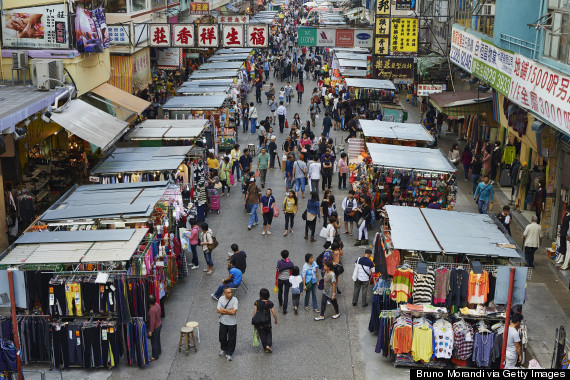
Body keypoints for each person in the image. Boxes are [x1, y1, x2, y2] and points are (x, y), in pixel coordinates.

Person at [253, 288, 278, 353]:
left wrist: (254, 319)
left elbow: (255, 312)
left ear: (260, 295)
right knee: (269, 333)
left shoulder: (257, 302)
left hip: (259, 321)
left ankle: (266, 346)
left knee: (262, 334)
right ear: (268, 295)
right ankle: (268, 345)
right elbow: (273, 312)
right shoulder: (269, 303)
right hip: (267, 321)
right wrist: (276, 319)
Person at [217, 287, 238, 361]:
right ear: (224, 293)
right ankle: (223, 348)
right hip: (223, 321)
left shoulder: (235, 300)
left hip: (232, 323)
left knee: (232, 339)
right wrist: (229, 311)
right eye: (228, 292)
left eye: (231, 292)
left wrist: (223, 310)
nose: (230, 294)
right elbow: (218, 310)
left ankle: (229, 353)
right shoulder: (221, 299)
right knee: (222, 337)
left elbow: (234, 312)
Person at [276, 250, 294, 315]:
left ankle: (280, 302)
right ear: (288, 255)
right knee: (286, 294)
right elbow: (291, 273)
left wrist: (276, 280)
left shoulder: (279, 262)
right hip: (287, 280)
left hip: (280, 279)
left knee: (280, 291)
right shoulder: (291, 263)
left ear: (281, 255)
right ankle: (284, 310)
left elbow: (277, 272)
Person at [148, 295, 162, 361]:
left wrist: (151, 331)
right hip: (159, 324)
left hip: (155, 327)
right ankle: (159, 351)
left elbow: (152, 322)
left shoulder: (152, 310)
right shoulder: (157, 305)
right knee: (157, 339)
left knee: (154, 341)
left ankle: (155, 356)